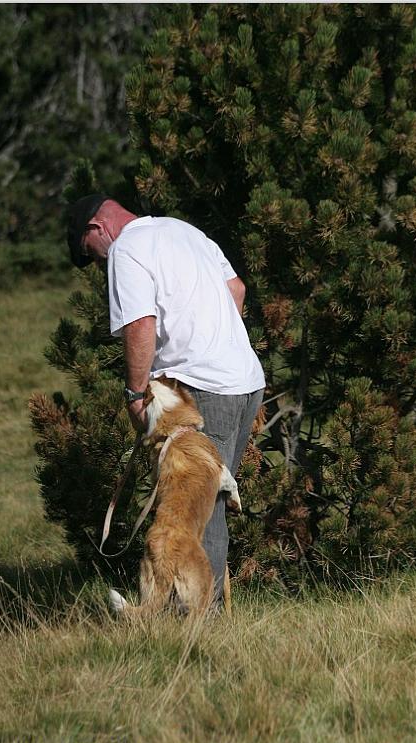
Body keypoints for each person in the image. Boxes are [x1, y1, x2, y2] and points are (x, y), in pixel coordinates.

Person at [67, 193, 265, 605]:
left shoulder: (126, 249)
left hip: (203, 388)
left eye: (92, 254)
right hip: (246, 381)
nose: (100, 263)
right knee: (209, 501)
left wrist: (135, 393)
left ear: (96, 228)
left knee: (195, 508)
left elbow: (140, 323)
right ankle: (198, 614)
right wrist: (218, 343)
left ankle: (196, 623)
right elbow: (237, 289)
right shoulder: (183, 230)